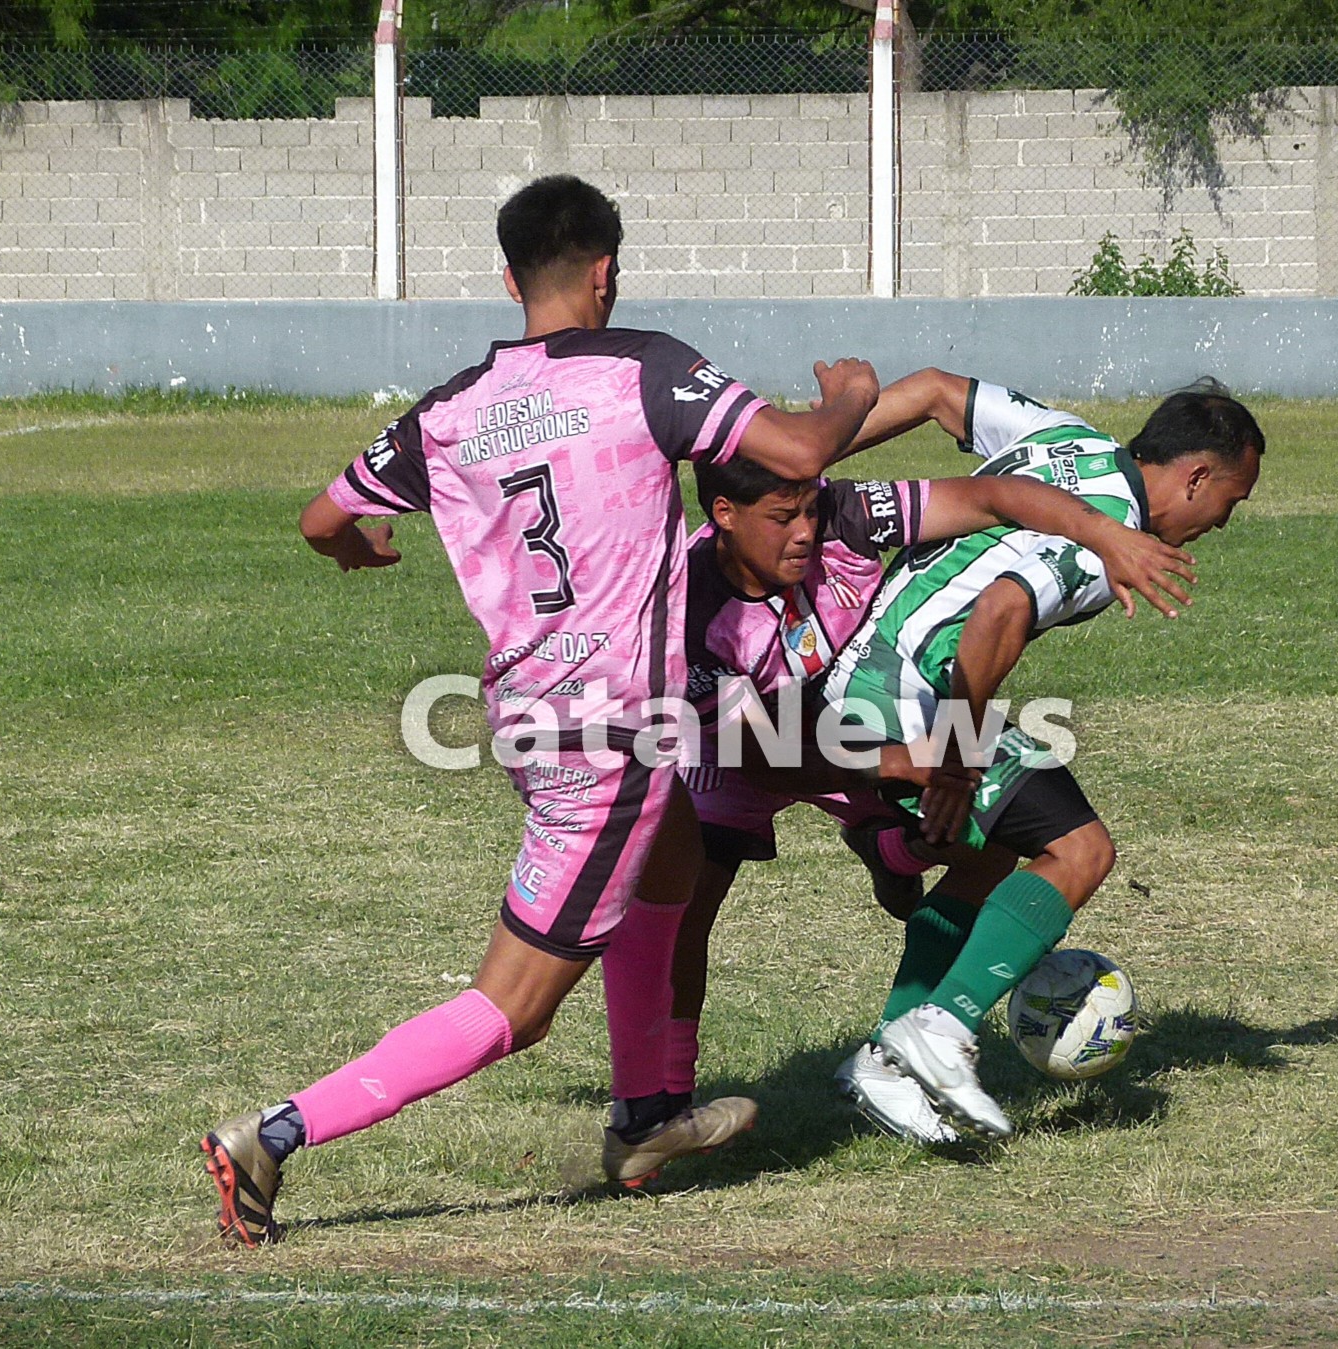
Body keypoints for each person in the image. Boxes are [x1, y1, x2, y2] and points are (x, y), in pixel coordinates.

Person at [197, 174, 882, 1247]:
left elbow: (320, 517)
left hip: (534, 716)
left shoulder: (451, 409)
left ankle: (643, 1116)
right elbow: (796, 454)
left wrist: (354, 547)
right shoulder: (644, 368)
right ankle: (273, 1133)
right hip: (606, 735)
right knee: (513, 1007)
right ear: (605, 270)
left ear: (510, 278)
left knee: (675, 845)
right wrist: (846, 394)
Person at [598, 447, 1199, 1169]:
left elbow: (993, 495)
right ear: (723, 516)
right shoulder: (692, 609)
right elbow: (757, 753)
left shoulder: (847, 515)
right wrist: (902, 761)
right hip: (746, 740)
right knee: (686, 902)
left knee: (986, 840)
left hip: (844, 711)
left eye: (810, 512)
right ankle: (664, 1110)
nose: (804, 533)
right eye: (783, 517)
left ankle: (894, 890)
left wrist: (1105, 535)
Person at [818, 369, 1264, 1138]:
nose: (1224, 522)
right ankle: (939, 1026)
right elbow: (1001, 609)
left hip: (858, 676)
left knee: (988, 855)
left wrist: (807, 454)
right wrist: (957, 756)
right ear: (1195, 476)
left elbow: (929, 389)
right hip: (898, 705)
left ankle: (885, 1061)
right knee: (1082, 850)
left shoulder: (1065, 437)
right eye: (1232, 499)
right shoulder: (1110, 542)